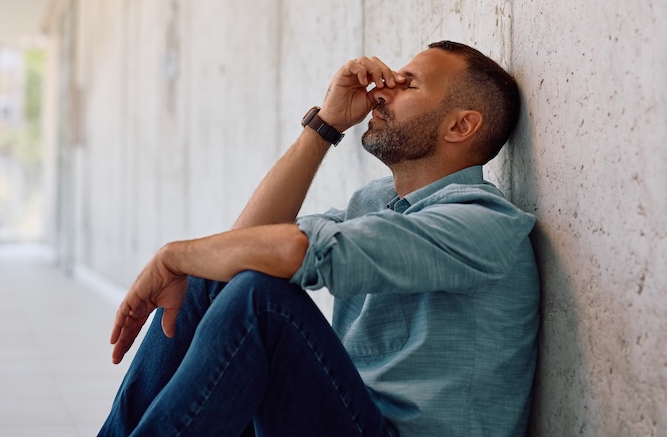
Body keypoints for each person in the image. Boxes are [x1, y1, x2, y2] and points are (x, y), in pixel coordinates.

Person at [99, 40, 538, 437]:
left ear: (460, 126)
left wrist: (172, 257)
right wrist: (325, 124)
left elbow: (297, 251)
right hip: (341, 415)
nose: (382, 92)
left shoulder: (483, 222)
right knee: (214, 275)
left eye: (410, 86)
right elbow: (249, 243)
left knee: (261, 300)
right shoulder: (377, 202)